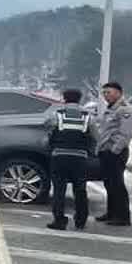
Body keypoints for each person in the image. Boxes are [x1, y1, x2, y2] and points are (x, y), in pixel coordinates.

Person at [45, 88, 94, 230]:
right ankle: (80, 220)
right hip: (80, 158)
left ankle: (59, 220)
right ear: (80, 99)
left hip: (59, 156)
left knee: (59, 190)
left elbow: (47, 129)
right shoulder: (87, 116)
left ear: (64, 99)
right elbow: (96, 135)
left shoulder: (57, 114)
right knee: (80, 189)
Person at [93, 80, 132, 226]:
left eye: (109, 92)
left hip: (116, 152)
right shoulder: (110, 109)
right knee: (108, 183)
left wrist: (115, 150)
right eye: (104, 93)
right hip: (106, 151)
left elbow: (126, 133)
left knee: (117, 184)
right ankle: (111, 212)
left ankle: (123, 217)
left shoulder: (125, 110)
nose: (106, 96)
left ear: (118, 93)